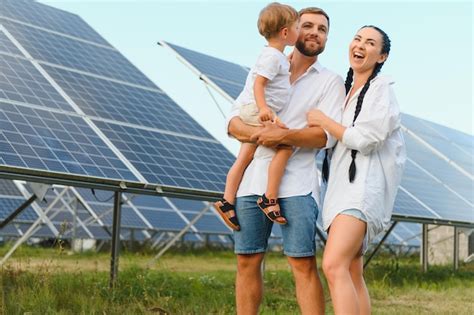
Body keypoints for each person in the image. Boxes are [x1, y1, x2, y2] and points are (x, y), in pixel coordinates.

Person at [227, 7, 345, 314]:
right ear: (290, 30)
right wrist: (259, 134)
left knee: (302, 262)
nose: (315, 32)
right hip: (252, 181)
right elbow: (233, 121)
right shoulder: (266, 66)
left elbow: (324, 137)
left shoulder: (330, 82)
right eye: (308, 25)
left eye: (322, 29)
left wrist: (281, 137)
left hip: (297, 184)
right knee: (247, 259)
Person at [307, 26, 406, 314]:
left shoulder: (381, 89)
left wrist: (324, 120)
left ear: (382, 56)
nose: (361, 45)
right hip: (340, 190)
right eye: (358, 38)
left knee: (333, 264)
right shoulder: (348, 91)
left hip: (361, 191)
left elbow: (367, 139)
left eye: (371, 42)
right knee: (351, 270)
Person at [214, 2, 299, 230]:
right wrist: (263, 109)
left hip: (258, 110)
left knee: (244, 157)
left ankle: (226, 200)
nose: (299, 32)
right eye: (297, 27)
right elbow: (259, 84)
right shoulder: (272, 57)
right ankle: (269, 198)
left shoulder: (276, 56)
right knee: (285, 146)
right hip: (257, 111)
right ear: (285, 32)